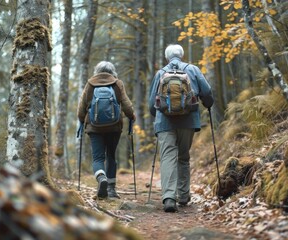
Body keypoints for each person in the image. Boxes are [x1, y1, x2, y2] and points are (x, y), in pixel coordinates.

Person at [148, 44, 214, 212]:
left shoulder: (161, 73)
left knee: (168, 157)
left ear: (167, 57)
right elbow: (206, 93)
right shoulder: (193, 69)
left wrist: (157, 117)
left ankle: (169, 198)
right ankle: (183, 196)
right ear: (182, 55)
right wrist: (208, 104)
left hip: (165, 122)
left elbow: (151, 104)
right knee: (183, 157)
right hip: (188, 121)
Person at [78, 61, 135, 199]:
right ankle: (111, 190)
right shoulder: (117, 83)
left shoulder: (90, 84)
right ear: (112, 71)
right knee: (111, 156)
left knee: (98, 157)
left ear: (96, 70)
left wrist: (81, 120)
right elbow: (126, 105)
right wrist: (132, 116)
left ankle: (101, 177)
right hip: (114, 126)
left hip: (94, 127)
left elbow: (82, 106)